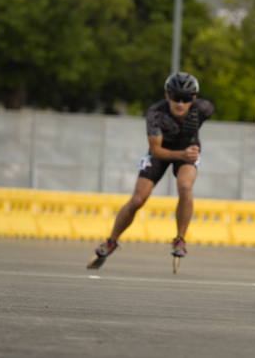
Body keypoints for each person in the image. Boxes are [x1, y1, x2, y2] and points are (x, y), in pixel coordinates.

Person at [87, 72, 214, 273]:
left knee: (185, 187)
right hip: (162, 152)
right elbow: (156, 151)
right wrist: (182, 153)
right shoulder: (156, 113)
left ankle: (180, 239)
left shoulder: (204, 109)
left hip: (187, 151)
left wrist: (187, 153)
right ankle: (111, 241)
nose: (180, 103)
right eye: (175, 98)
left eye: (186, 99)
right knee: (138, 200)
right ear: (167, 96)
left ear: (194, 99)